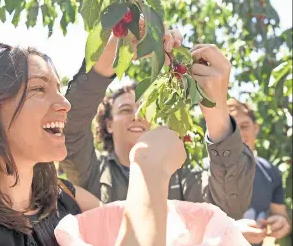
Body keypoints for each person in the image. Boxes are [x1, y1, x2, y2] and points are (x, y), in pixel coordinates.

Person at [0, 37, 188, 246]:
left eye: (58, 89)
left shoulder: (67, 198)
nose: (64, 104)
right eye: (38, 89)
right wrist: (149, 170)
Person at [61, 27, 256, 220]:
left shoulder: (178, 174)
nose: (137, 116)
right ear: (109, 124)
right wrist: (109, 56)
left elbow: (230, 208)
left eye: (143, 109)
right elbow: (70, 130)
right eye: (125, 110)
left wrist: (217, 113)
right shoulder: (93, 172)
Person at [227, 98, 291, 245]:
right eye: (232, 129)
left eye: (244, 126)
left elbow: (281, 215)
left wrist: (281, 223)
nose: (239, 135)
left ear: (256, 127)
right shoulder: (203, 172)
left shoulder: (270, 171)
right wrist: (231, 231)